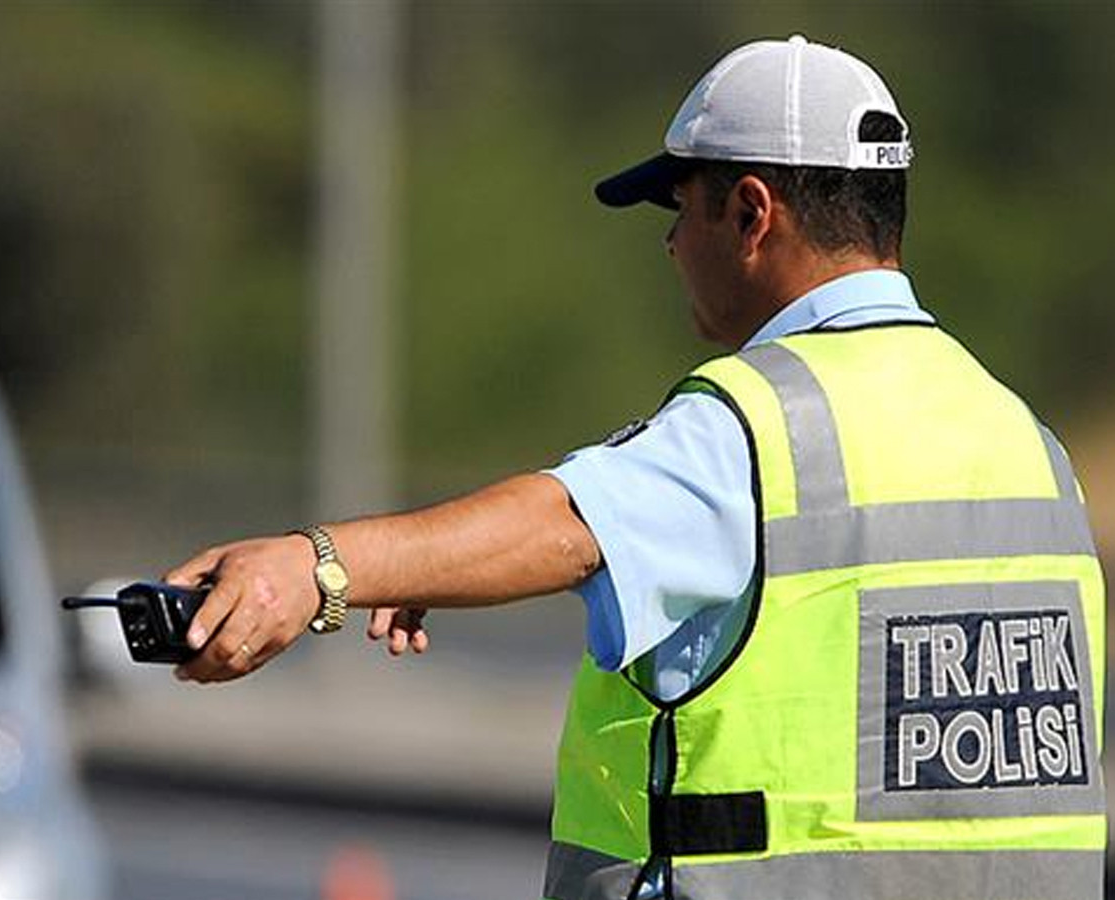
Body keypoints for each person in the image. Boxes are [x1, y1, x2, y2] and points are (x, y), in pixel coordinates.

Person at [163, 35, 1105, 900]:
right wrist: (434, 569)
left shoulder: (760, 423)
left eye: (678, 206)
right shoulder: (1026, 441)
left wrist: (315, 567)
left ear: (750, 213)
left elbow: (565, 526)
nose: (667, 243)